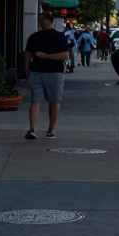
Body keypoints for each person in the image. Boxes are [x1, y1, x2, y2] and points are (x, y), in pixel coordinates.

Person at [24, 12, 71, 140]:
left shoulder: (34, 37)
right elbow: (65, 55)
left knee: (36, 101)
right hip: (54, 72)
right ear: (52, 21)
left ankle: (33, 129)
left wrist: (27, 71)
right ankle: (50, 130)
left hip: (37, 72)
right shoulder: (60, 36)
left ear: (41, 22)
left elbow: (27, 56)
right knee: (54, 101)